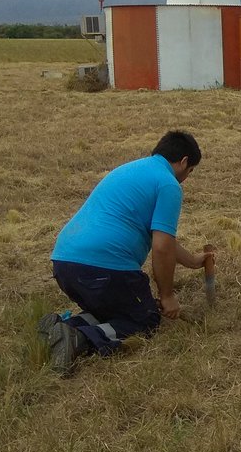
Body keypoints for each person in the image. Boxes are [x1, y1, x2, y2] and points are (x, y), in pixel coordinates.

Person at [39, 130, 213, 375]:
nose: (187, 177)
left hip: (65, 263)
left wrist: (193, 261)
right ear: (184, 161)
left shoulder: (132, 170)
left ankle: (62, 326)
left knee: (116, 310)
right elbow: (161, 247)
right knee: (144, 320)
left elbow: (163, 240)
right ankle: (81, 337)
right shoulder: (168, 184)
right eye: (190, 171)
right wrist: (167, 295)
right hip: (103, 268)